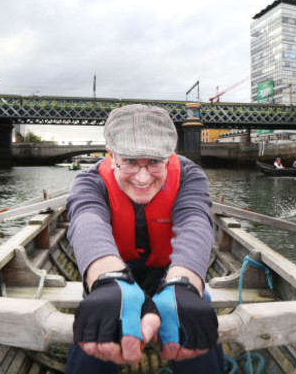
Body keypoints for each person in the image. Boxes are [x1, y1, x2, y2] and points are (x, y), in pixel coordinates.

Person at [66, 104, 223, 374]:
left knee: (197, 332)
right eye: (129, 161)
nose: (142, 177)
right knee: (93, 334)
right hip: (112, 277)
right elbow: (86, 220)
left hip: (172, 272)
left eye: (154, 162)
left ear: (169, 156)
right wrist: (106, 281)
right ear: (111, 155)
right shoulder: (89, 181)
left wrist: (184, 285)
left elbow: (195, 221)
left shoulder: (190, 176)